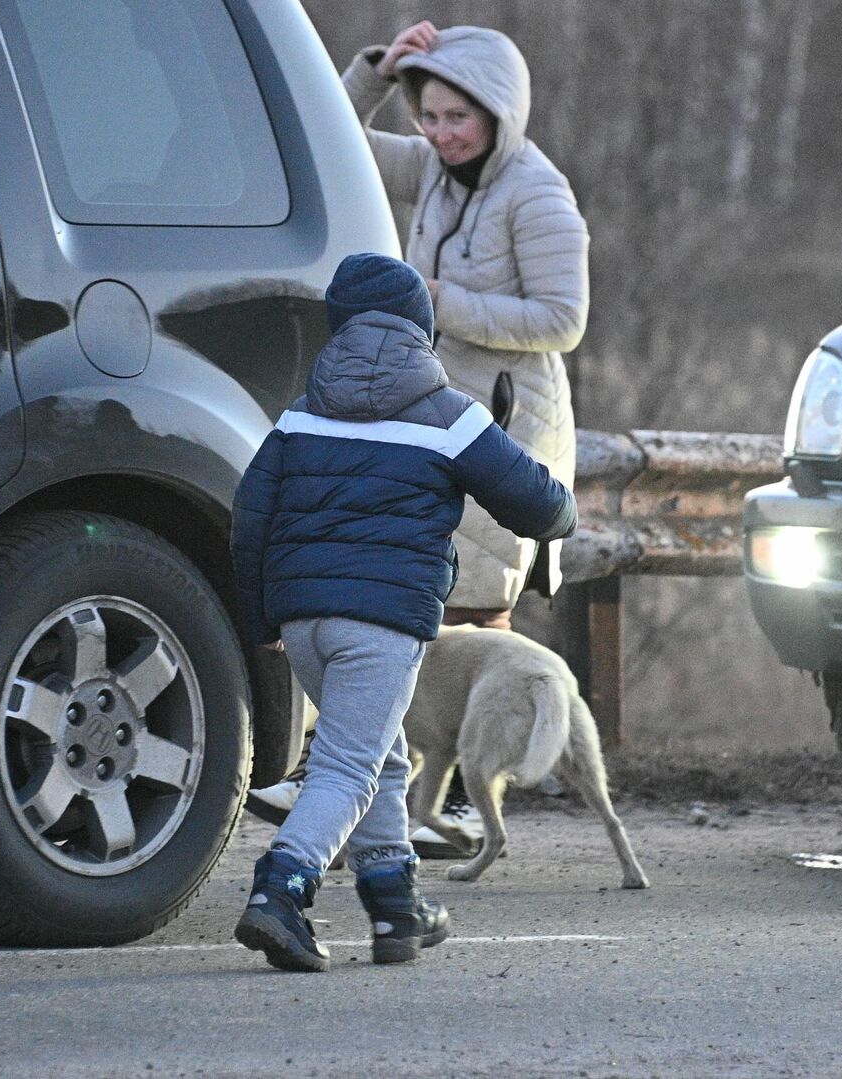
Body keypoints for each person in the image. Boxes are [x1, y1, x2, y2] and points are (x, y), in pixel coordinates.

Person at [247, 20, 591, 855]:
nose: (438, 133)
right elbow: (334, 135)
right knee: (400, 611)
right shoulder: (434, 171)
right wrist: (377, 67)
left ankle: (467, 792)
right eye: (428, 115)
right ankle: (371, 777)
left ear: (499, 114)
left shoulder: (537, 194)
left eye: (456, 119)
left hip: (504, 416)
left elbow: (564, 317)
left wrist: (440, 297)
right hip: (428, 409)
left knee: (474, 613)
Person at [229, 252, 576, 972]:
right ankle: (280, 889)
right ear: (422, 327)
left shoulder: (301, 413)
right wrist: (563, 507)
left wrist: (263, 617)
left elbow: (250, 516)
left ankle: (394, 902)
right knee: (350, 764)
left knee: (379, 751)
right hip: (380, 623)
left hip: (303, 623)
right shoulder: (447, 416)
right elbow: (540, 505)